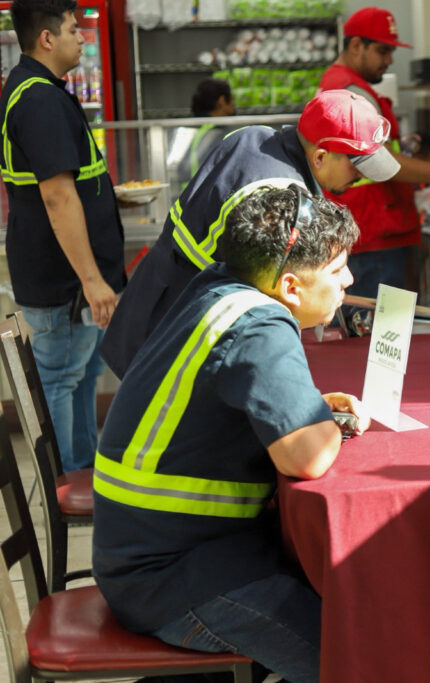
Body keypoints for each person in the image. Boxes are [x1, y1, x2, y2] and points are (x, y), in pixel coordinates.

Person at [92, 186, 369, 683]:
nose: (349, 279)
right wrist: (331, 423)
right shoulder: (260, 325)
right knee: (360, 653)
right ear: (289, 286)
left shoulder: (219, 285)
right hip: (175, 579)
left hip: (143, 552)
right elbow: (307, 457)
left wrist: (303, 407)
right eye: (336, 269)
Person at [99, 88, 400, 379]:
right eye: (356, 167)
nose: (361, 178)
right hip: (182, 324)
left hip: (156, 293)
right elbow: (275, 297)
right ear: (320, 156)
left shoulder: (253, 135)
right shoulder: (282, 197)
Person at [0, 0, 125, 471]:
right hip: (65, 283)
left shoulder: (42, 89)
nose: (83, 37)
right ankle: (66, 481)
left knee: (82, 373)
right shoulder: (39, 100)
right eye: (75, 29)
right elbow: (57, 198)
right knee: (61, 378)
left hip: (70, 280)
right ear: (47, 38)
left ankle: (83, 471)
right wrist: (92, 281)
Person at [318, 6, 430, 301]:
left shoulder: (341, 84)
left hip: (370, 228)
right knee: (382, 332)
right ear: (356, 45)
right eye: (382, 51)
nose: (389, 61)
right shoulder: (350, 90)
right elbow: (383, 162)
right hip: (373, 232)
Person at [176, 77, 235, 187]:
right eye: (232, 99)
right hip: (204, 196)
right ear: (222, 101)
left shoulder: (188, 128)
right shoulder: (219, 131)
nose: (233, 104)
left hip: (184, 195)